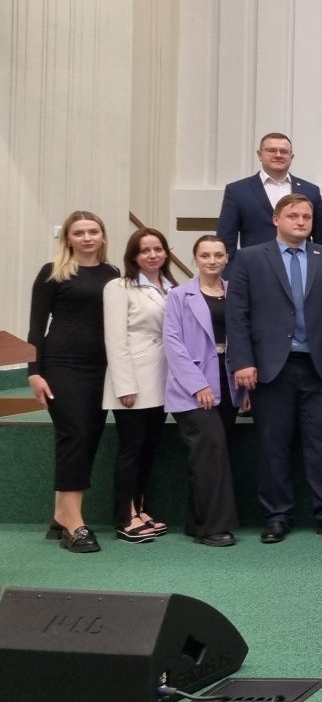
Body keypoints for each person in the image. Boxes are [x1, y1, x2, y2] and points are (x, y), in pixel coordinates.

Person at [228, 193, 322, 543]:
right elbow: (237, 315)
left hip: (321, 368)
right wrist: (242, 361)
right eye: (293, 216)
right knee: (273, 445)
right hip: (271, 368)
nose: (301, 221)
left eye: (306, 216)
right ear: (276, 219)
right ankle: (276, 516)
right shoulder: (249, 258)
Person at [28, 211, 119, 553]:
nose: (87, 237)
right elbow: (36, 326)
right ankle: (74, 525)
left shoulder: (112, 274)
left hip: (101, 368)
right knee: (76, 435)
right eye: (79, 232)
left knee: (87, 437)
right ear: (68, 238)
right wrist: (34, 372)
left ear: (103, 236)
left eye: (93, 231)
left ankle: (59, 515)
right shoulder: (53, 272)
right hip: (61, 366)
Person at [162, 234, 244, 546]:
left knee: (209, 454)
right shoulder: (178, 295)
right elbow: (173, 344)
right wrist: (198, 384)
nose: (212, 260)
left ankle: (196, 521)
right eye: (205, 255)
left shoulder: (236, 292)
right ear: (195, 259)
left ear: (227, 258)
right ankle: (213, 528)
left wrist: (245, 389)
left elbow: (245, 337)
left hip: (229, 381)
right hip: (193, 385)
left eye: (218, 255)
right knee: (210, 451)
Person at [103, 227, 177, 542]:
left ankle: (140, 508)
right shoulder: (119, 287)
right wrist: (124, 385)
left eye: (158, 249)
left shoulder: (173, 287)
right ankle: (125, 517)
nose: (152, 255)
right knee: (131, 450)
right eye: (145, 250)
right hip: (133, 380)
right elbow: (115, 338)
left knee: (148, 449)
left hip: (162, 379)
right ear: (133, 256)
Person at [216, 133, 322, 254]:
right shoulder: (238, 191)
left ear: (291, 157)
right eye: (271, 150)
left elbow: (320, 237)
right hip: (255, 263)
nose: (278, 155)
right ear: (259, 154)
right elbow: (226, 239)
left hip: (300, 262)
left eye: (284, 151)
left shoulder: (310, 191)